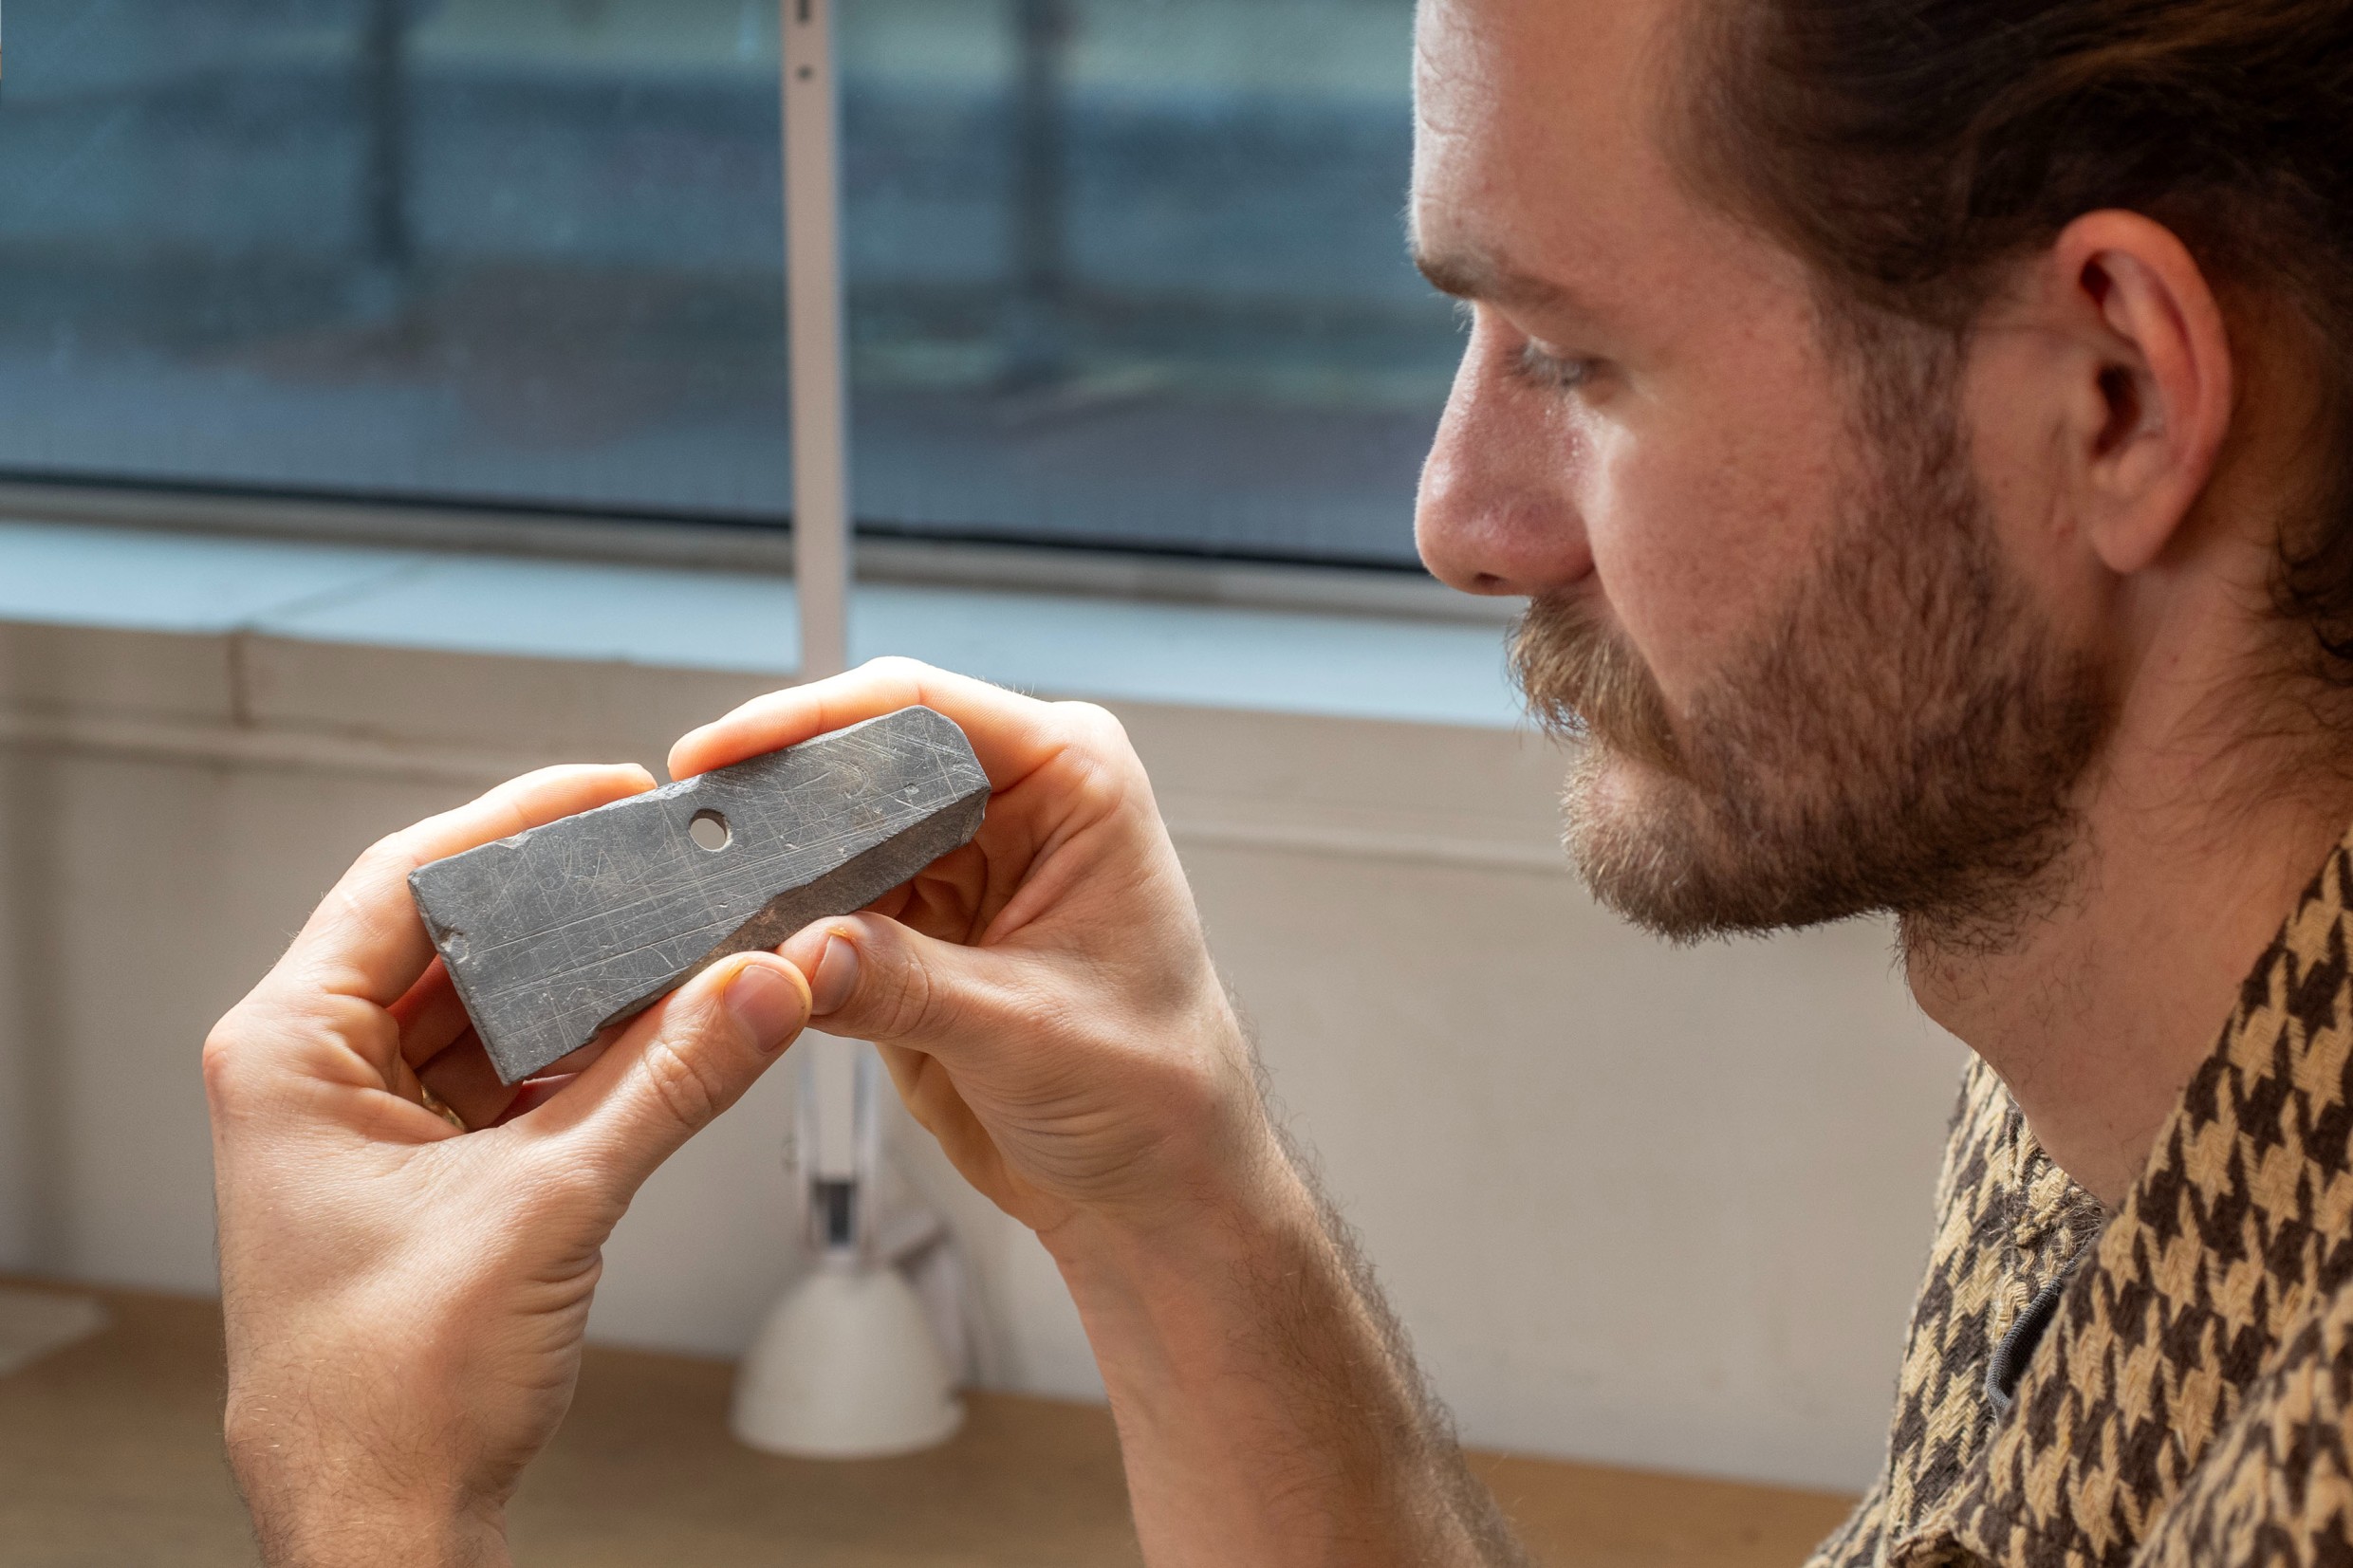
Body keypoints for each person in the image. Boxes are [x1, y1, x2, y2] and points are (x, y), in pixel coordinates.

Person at [202, 0, 2353, 1560]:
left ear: (2110, 394)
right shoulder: (2113, 1028)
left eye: (1572, 357)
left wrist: (369, 1510)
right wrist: (1177, 1192)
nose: (1459, 514)